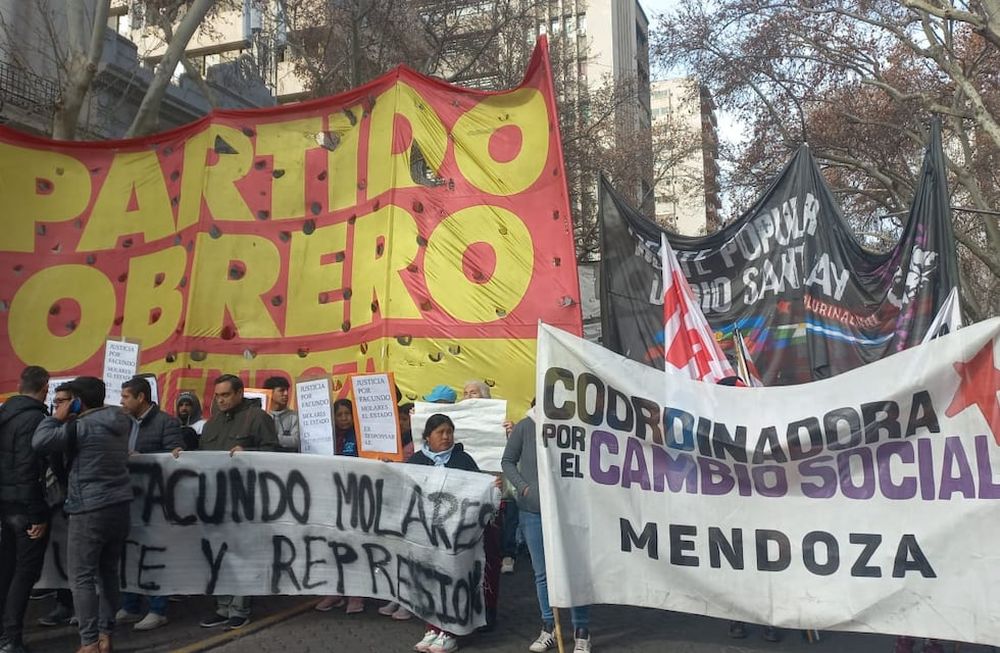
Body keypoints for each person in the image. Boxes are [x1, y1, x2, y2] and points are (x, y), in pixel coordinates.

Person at [32, 376, 132, 653]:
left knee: (82, 577)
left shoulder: (80, 427)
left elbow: (40, 442)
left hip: (89, 509)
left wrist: (57, 417)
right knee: (108, 573)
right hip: (120, 505)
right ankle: (105, 635)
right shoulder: (121, 420)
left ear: (77, 401)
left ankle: (88, 643)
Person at [502, 402, 592, 653]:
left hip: (570, 512)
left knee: (575, 570)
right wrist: (524, 488)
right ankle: (549, 626)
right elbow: (508, 461)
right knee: (542, 573)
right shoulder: (525, 426)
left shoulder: (575, 426)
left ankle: (582, 630)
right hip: (533, 511)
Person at [197, 374, 278, 631]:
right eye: (217, 396)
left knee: (242, 553)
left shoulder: (258, 418)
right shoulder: (211, 424)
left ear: (239, 393)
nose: (220, 400)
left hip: (246, 499)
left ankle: (240, 608)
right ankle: (223, 606)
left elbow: (275, 454)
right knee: (218, 554)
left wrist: (249, 453)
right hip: (215, 498)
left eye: (226, 395)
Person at [408, 413, 491, 653]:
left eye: (449, 432)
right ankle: (432, 628)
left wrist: (490, 486)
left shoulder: (463, 460)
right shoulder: (416, 461)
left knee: (452, 582)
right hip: (426, 535)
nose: (446, 437)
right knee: (430, 582)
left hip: (456, 538)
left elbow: (478, 488)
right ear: (427, 436)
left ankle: (450, 632)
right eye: (440, 432)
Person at [115, 377, 184, 632]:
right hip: (127, 495)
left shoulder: (166, 422)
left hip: (155, 500)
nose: (121, 402)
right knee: (130, 551)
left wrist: (143, 458)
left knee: (154, 553)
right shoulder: (122, 422)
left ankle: (158, 608)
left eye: (125, 397)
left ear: (141, 397)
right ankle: (130, 604)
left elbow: (176, 458)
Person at [0, 366, 51, 653]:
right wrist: (37, 514)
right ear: (45, 388)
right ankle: (11, 638)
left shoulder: (5, 414)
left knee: (7, 567)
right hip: (24, 505)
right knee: (24, 572)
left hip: (6, 504)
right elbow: (28, 470)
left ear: (20, 385)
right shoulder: (34, 420)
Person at [315, 399, 364, 614]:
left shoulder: (362, 436)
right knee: (331, 545)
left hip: (356, 498)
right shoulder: (325, 437)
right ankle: (334, 592)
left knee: (355, 545)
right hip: (330, 498)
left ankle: (356, 594)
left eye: (348, 414)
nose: (344, 418)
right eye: (339, 414)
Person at [35, 384, 76, 629]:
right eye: (56, 401)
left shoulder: (79, 427)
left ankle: (80, 607)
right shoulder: (53, 427)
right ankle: (64, 603)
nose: (58, 405)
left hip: (77, 502)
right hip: (56, 501)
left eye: (63, 401)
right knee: (61, 555)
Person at [262, 376, 299, 452]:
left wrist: (271, 439)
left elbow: (296, 441)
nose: (286, 394)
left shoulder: (295, 416)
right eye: (281, 390)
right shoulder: (260, 416)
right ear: (270, 393)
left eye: (287, 390)